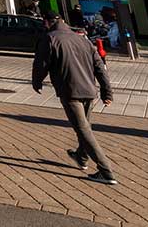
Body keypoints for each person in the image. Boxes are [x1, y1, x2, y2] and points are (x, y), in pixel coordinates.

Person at [31, 12, 116, 185]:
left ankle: (106, 171)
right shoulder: (83, 40)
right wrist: (106, 92)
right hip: (89, 91)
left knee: (83, 130)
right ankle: (81, 156)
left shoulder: (50, 38)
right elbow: (100, 67)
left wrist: (37, 81)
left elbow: (41, 64)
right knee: (84, 126)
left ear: (48, 23)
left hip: (70, 91)